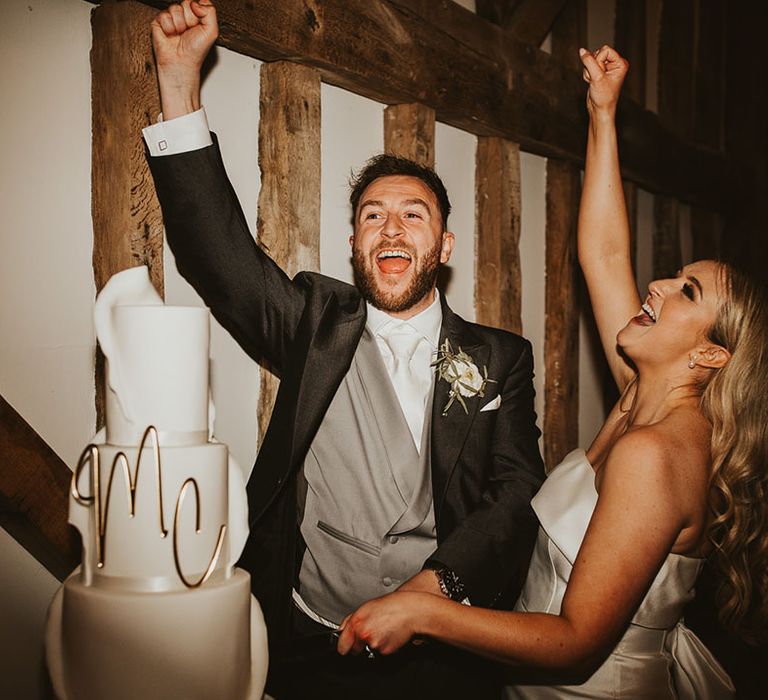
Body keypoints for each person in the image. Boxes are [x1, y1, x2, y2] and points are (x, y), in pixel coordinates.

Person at [337, 45, 768, 699]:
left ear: (710, 355)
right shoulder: (643, 398)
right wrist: (602, 113)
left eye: (686, 292)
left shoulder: (655, 452)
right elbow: (603, 251)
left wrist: (424, 609)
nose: (656, 285)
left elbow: (574, 642)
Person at [144, 2, 545, 697]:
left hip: (443, 651)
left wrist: (432, 590)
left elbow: (515, 495)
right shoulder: (314, 322)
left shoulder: (502, 358)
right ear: (357, 244)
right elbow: (219, 257)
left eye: (413, 215)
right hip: (310, 643)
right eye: (372, 217)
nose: (391, 229)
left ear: (443, 247)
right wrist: (179, 85)